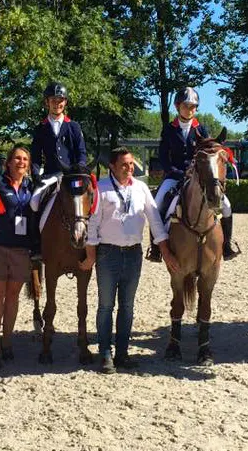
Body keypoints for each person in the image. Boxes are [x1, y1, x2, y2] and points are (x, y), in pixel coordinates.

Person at [81, 147, 180, 374]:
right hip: (108, 254)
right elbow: (93, 224)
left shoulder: (141, 188)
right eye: (124, 164)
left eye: (131, 164)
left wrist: (165, 252)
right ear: (112, 167)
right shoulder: (101, 188)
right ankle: (105, 353)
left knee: (127, 306)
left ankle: (123, 353)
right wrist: (91, 255)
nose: (129, 168)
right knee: (106, 305)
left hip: (134, 254)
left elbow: (155, 222)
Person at [148, 87, 240, 262]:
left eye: (193, 107)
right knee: (158, 203)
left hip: (198, 175)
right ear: (177, 106)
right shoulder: (169, 129)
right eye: (186, 106)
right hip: (174, 175)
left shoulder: (201, 129)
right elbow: (163, 156)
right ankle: (155, 248)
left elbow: (207, 152)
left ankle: (227, 245)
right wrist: (173, 171)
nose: (189, 110)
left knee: (226, 205)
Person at [0, 146, 37, 369]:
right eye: (16, 158)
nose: (20, 162)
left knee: (13, 296)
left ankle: (7, 342)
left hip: (20, 250)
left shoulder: (31, 186)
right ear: (8, 162)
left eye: (25, 159)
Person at [28, 82, 88, 259]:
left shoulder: (74, 127)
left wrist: (79, 170)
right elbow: (36, 156)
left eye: (60, 100)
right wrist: (36, 174)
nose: (57, 103)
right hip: (51, 175)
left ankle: (89, 241)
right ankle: (36, 245)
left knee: (87, 201)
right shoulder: (41, 128)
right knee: (33, 201)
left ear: (65, 102)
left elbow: (81, 152)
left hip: (71, 176)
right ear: (47, 102)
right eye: (54, 100)